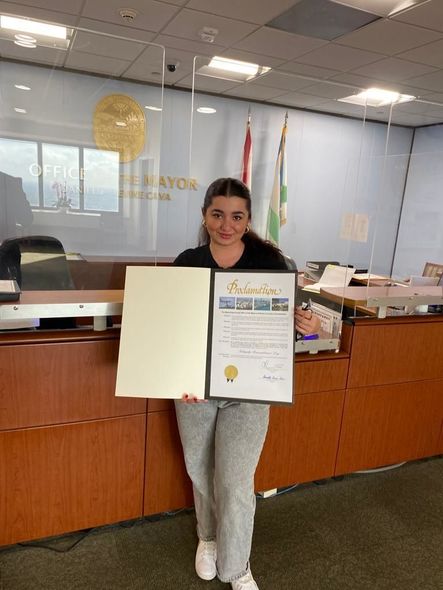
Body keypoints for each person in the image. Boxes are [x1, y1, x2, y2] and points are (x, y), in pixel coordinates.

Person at [173, 177, 320, 590]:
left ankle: (237, 566)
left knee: (236, 480)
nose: (227, 225)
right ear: (204, 215)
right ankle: (208, 538)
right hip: (195, 387)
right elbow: (171, 326)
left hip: (250, 391)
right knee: (200, 469)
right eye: (217, 214)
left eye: (237, 217)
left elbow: (284, 328)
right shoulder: (187, 262)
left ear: (248, 219)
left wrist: (305, 324)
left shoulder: (270, 265)